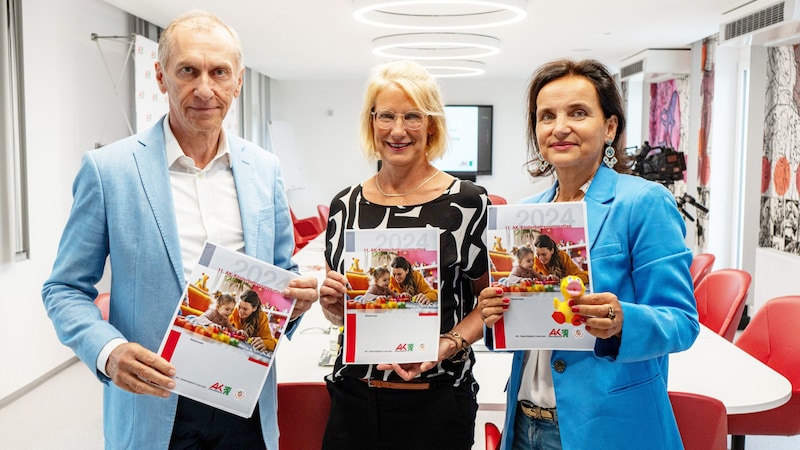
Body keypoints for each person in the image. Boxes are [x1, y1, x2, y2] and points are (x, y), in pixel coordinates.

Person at [41, 10, 318, 450]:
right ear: (161, 76)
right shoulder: (109, 170)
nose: (204, 89)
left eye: (219, 72)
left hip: (245, 405)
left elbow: (282, 273)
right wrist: (108, 352)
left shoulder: (264, 170)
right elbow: (63, 288)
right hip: (154, 406)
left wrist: (296, 304)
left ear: (238, 81)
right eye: (188, 70)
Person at [478, 58, 699, 450]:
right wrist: (498, 313)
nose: (560, 127)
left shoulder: (643, 202)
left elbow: (681, 322)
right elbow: (529, 329)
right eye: (547, 116)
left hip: (608, 426)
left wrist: (621, 321)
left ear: (609, 126)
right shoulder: (527, 212)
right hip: (524, 422)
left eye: (578, 113)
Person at [318, 60, 490, 450]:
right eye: (387, 116)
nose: (398, 130)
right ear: (371, 122)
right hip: (354, 397)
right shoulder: (345, 204)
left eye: (412, 116)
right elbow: (338, 313)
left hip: (437, 400)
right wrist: (330, 302)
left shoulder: (466, 202)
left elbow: (490, 301)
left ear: (431, 124)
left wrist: (449, 343)